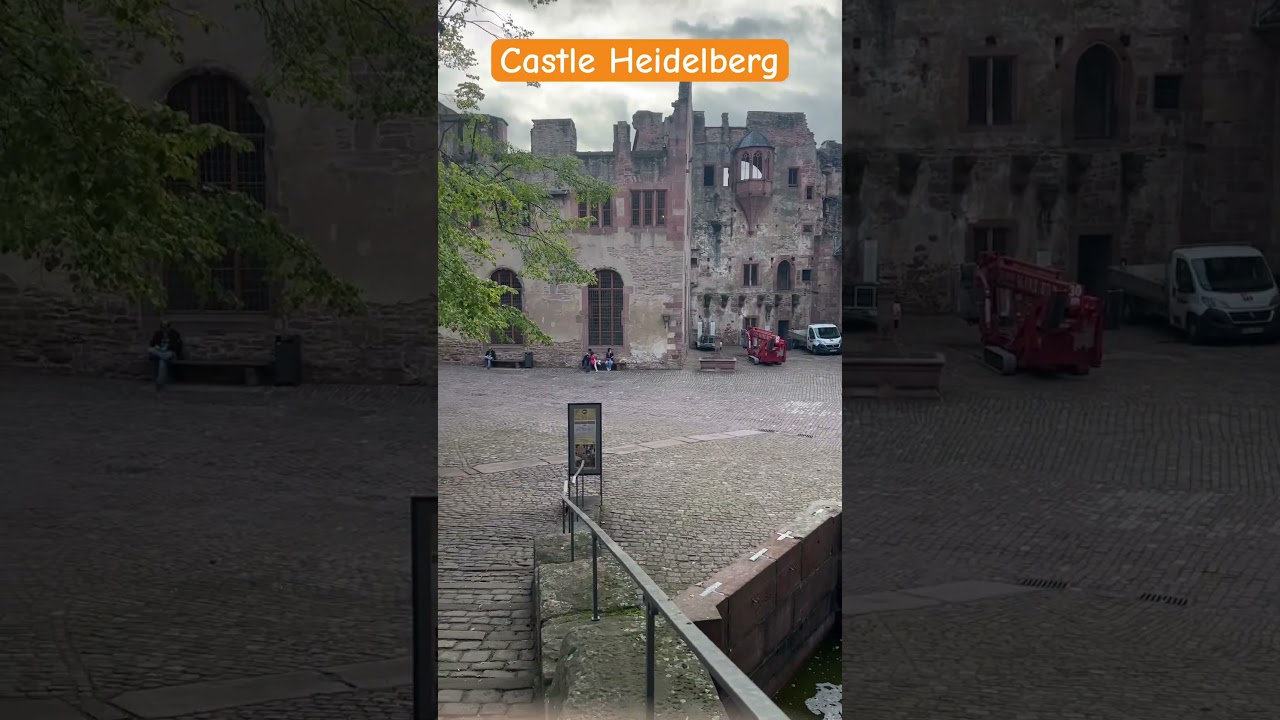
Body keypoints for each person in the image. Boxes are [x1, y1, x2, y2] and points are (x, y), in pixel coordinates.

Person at [147, 321, 183, 389]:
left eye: (166, 327)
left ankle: (159, 382)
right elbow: (152, 344)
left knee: (163, 359)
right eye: (163, 327)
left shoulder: (174, 334)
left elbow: (176, 347)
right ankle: (159, 382)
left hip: (169, 352)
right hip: (160, 352)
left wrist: (166, 349)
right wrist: (157, 346)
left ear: (169, 327)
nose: (164, 329)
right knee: (161, 361)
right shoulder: (158, 333)